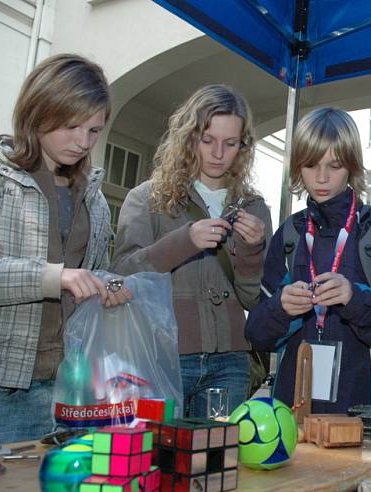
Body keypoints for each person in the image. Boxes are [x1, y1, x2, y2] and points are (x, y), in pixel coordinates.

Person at [0, 54, 131, 446]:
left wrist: (107, 288)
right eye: (71, 126)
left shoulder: (93, 199)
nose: (83, 142)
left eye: (94, 130)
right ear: (38, 111)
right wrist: (51, 277)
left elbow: (89, 274)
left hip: (67, 387)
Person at [246, 107, 371, 414]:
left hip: (363, 412)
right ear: (298, 167)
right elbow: (257, 336)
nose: (322, 177)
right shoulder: (290, 234)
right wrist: (280, 308)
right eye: (311, 165)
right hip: (291, 412)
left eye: (335, 165)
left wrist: (355, 298)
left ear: (352, 166)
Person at [112, 85, 271, 418]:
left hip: (231, 360)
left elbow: (252, 299)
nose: (218, 153)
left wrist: (252, 251)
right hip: (164, 355)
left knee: (216, 465)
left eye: (230, 144)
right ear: (188, 137)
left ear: (243, 146)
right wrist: (184, 241)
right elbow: (123, 274)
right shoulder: (148, 198)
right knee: (159, 460)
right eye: (207, 140)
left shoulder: (254, 207)